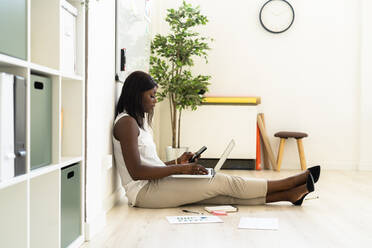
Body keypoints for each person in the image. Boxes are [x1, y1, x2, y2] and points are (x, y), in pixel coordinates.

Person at [113, 71, 321, 208]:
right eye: (151, 96)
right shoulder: (126, 124)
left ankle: (289, 195)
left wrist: (178, 163)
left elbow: (149, 165)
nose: (155, 101)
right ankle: (292, 180)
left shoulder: (137, 123)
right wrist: (180, 170)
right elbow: (137, 172)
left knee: (220, 197)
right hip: (144, 193)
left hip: (154, 184)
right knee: (221, 181)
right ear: (136, 95)